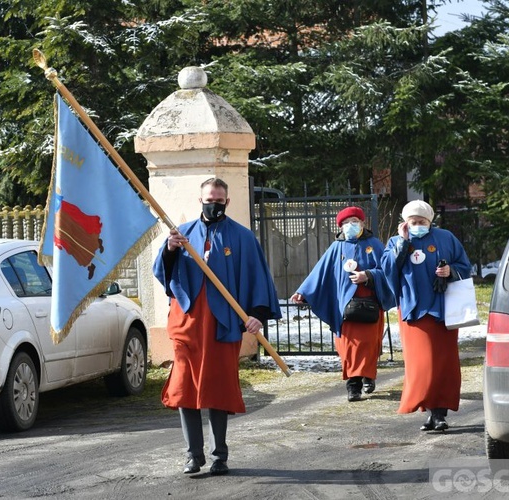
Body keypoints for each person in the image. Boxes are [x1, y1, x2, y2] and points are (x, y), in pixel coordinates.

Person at [153, 177, 281, 476]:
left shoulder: (242, 237)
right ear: (201, 201)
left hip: (223, 327)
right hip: (187, 325)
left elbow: (257, 278)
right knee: (186, 387)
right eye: (209, 200)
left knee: (218, 388)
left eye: (219, 201)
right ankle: (193, 455)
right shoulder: (181, 234)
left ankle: (219, 455)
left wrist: (256, 314)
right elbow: (165, 276)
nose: (214, 205)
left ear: (227, 202)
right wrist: (170, 250)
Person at [381, 200, 473, 431]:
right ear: (405, 222)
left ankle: (439, 413)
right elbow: (388, 269)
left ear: (430, 222)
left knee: (443, 362)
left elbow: (464, 265)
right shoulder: (396, 241)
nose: (417, 225)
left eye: (422, 222)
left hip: (443, 311)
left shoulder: (446, 238)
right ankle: (430, 410)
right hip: (414, 311)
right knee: (422, 364)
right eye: (413, 222)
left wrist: (450, 271)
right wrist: (403, 242)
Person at [289, 206, 394, 402]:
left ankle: (368, 375)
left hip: (371, 305)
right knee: (348, 346)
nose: (350, 226)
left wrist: (369, 275)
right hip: (345, 307)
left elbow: (387, 271)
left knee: (369, 344)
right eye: (345, 223)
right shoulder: (336, 247)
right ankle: (353, 385)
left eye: (354, 221)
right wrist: (302, 291)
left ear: (362, 223)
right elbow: (319, 272)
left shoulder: (375, 244)